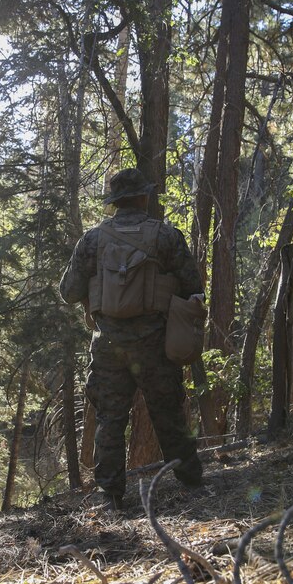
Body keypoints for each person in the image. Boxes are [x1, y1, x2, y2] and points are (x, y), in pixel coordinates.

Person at [59, 168, 204, 510]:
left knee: (110, 418)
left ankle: (109, 495)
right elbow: (193, 286)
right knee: (168, 413)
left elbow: (68, 292)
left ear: (114, 202)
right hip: (155, 342)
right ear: (144, 196)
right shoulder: (166, 236)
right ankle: (192, 484)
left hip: (108, 344)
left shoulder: (93, 240)